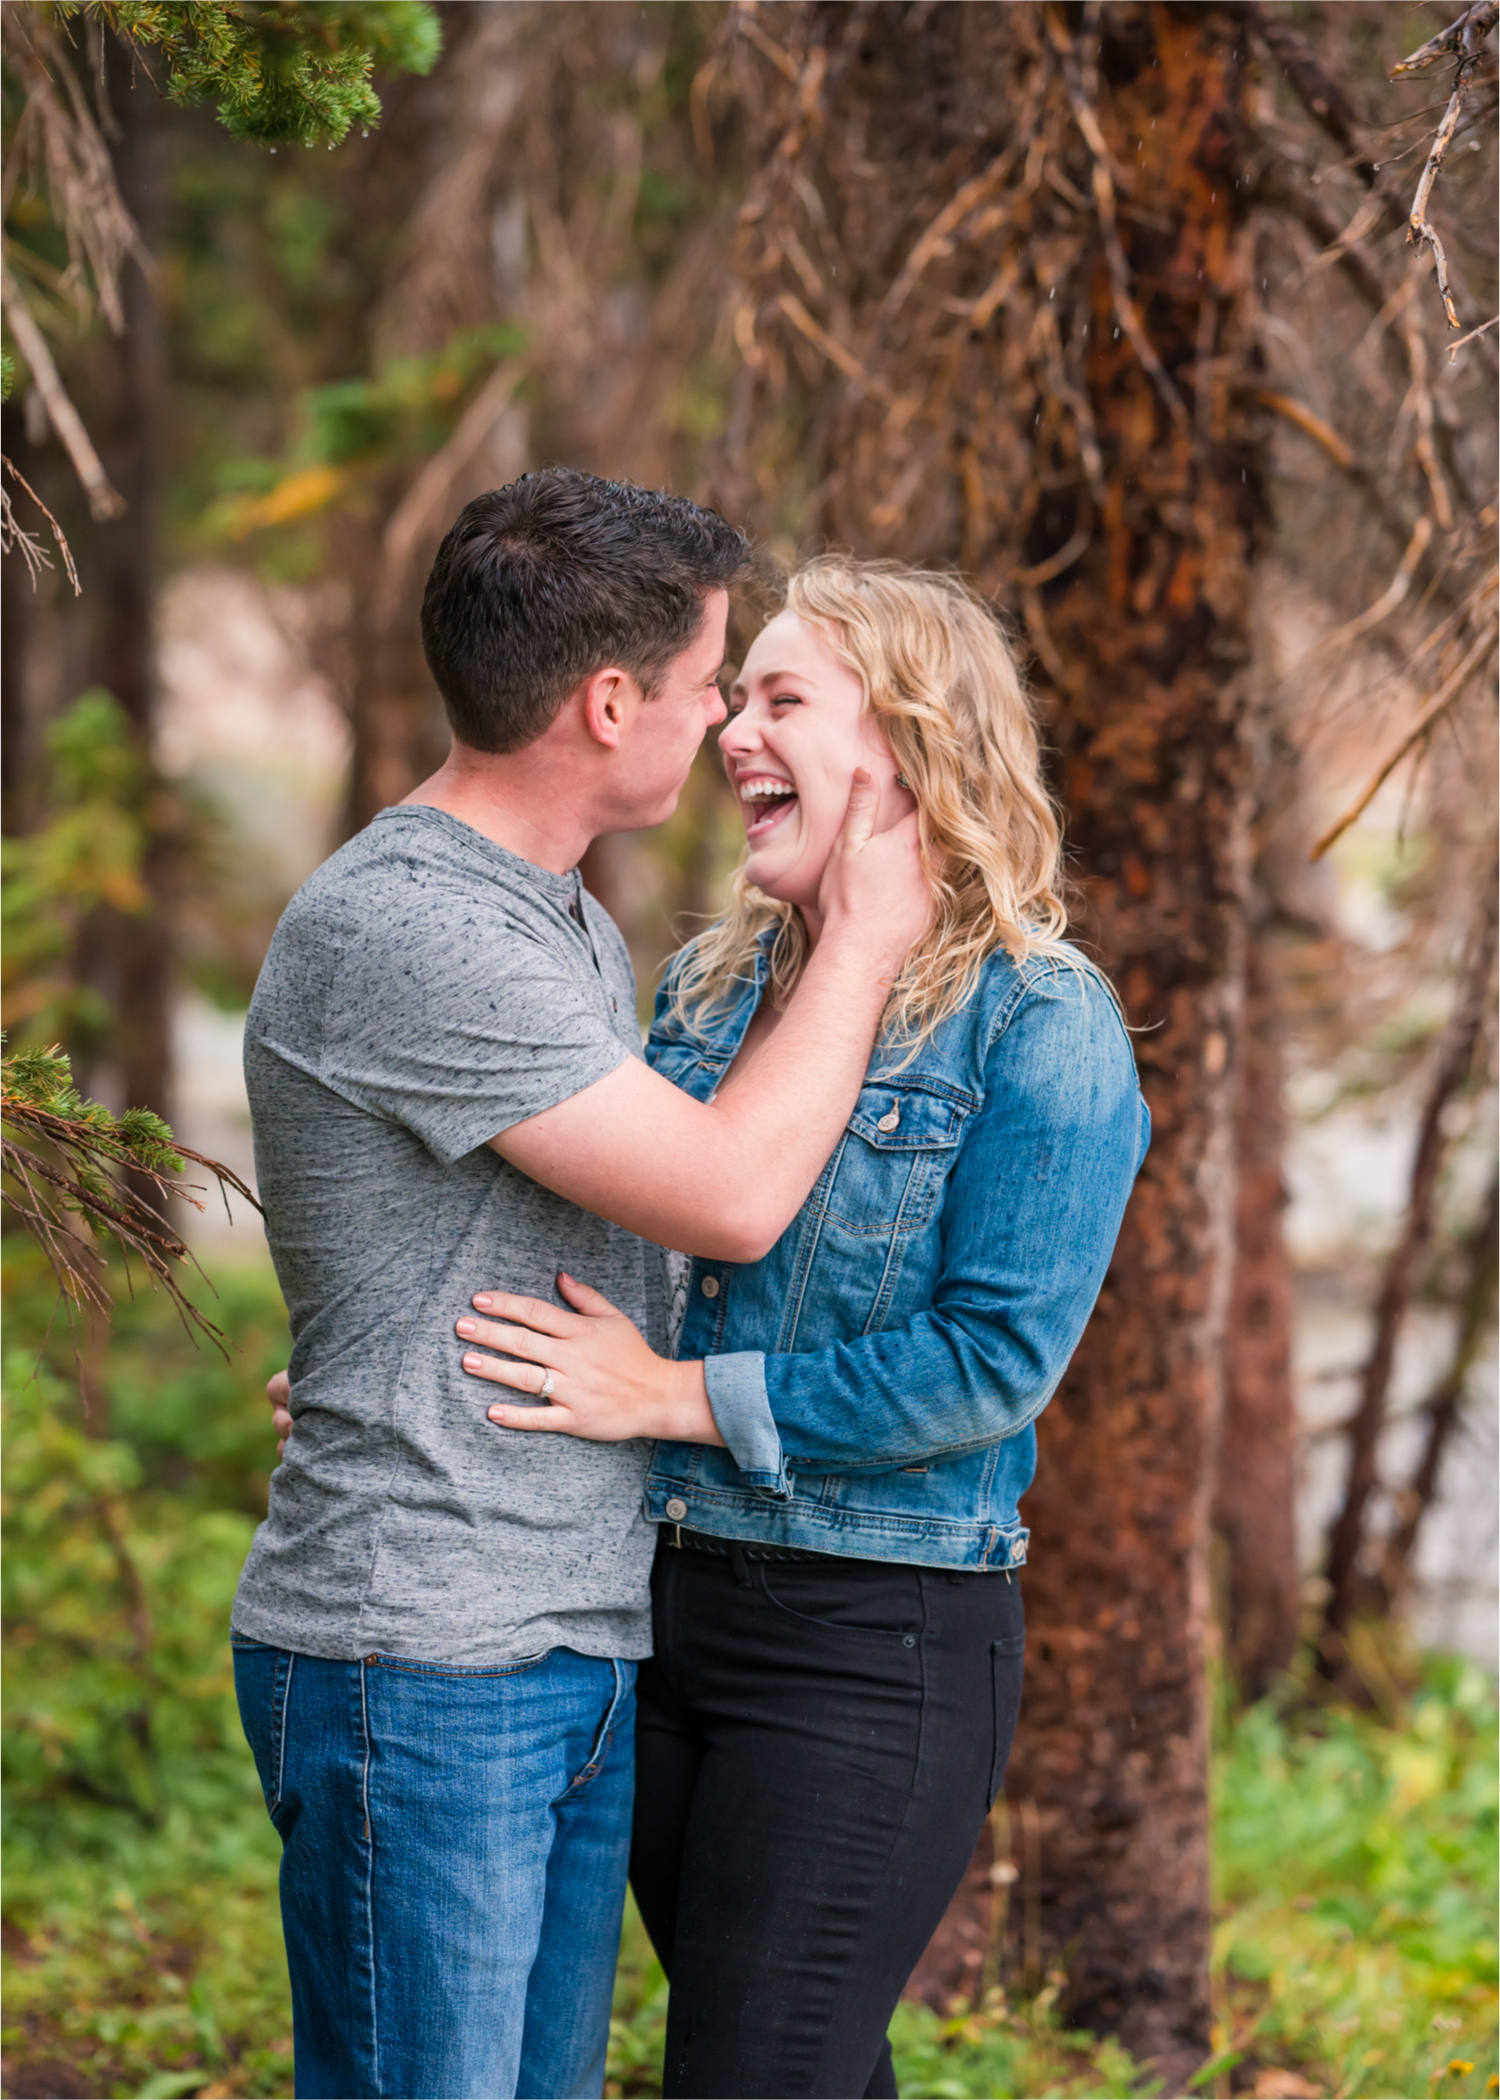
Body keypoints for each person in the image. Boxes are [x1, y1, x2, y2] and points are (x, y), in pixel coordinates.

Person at [233, 475, 932, 2100]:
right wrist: (870, 940)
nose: (720, 728)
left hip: (557, 1636)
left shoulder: (549, 926)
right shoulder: (411, 927)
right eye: (707, 689)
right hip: (423, 1655)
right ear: (608, 702)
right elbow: (735, 1198)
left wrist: (365, 1356)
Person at [451, 556, 1150, 2100]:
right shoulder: (709, 990)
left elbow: (995, 1366)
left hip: (873, 1647)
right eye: (736, 697)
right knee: (801, 2067)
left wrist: (681, 1401)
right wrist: (407, 1375)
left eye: (780, 700)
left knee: (757, 2072)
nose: (730, 735)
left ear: (902, 741)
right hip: (657, 1614)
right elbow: (609, 1247)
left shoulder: (1044, 1021)